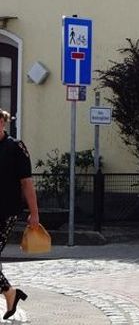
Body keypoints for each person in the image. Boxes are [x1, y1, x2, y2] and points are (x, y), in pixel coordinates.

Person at [0, 109, 38, 320]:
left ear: (3, 123)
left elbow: (27, 182)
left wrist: (34, 214)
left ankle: (11, 294)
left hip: (6, 212)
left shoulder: (15, 148)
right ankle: (11, 294)